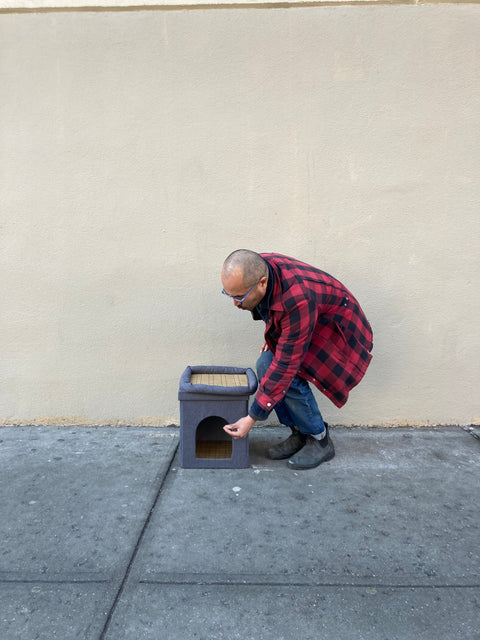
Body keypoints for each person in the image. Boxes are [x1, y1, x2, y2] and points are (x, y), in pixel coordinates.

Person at [221, 250, 373, 470]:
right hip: (308, 320)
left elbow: (285, 365)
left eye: (239, 297)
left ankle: (319, 439)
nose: (235, 303)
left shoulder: (297, 300)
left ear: (262, 283)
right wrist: (275, 331)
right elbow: (272, 306)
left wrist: (252, 418)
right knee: (265, 364)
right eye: (229, 295)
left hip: (338, 331)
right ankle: (300, 433)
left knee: (285, 373)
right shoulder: (260, 267)